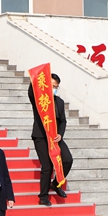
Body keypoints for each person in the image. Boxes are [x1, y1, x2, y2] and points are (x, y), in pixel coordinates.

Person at [28, 73, 73, 206]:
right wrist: (35, 78)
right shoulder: (38, 99)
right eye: (52, 86)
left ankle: (55, 183)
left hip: (55, 137)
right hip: (41, 137)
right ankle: (43, 196)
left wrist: (60, 134)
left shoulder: (59, 102)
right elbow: (31, 92)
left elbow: (63, 121)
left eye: (56, 87)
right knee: (47, 166)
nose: (54, 89)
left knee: (67, 159)